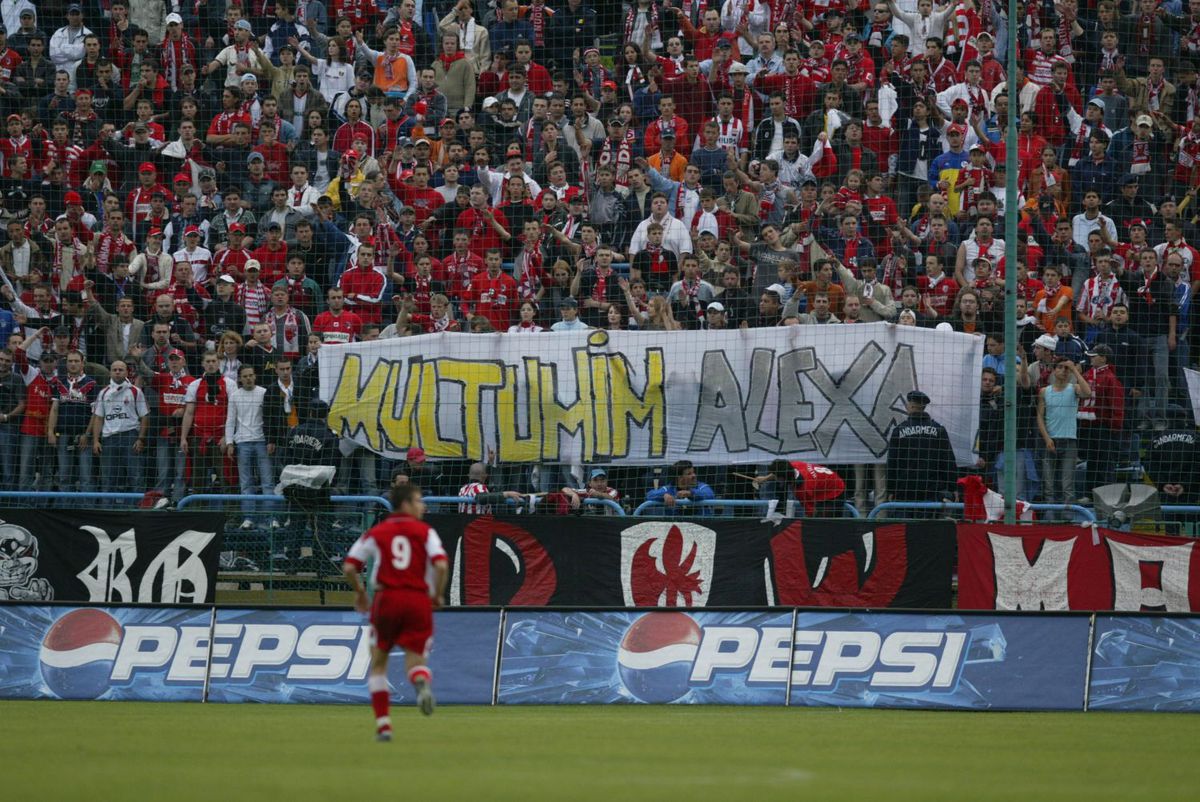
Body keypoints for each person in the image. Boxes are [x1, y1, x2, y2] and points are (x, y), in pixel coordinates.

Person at [342, 483, 448, 736]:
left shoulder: (377, 532)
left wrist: (359, 594)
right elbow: (441, 565)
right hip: (418, 600)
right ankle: (420, 679)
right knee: (416, 662)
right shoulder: (425, 532)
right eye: (419, 500)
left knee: (378, 663)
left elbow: (349, 567)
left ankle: (384, 726)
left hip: (386, 599)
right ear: (405, 504)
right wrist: (437, 595)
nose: (423, 506)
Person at [1037, 359, 1093, 518]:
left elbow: (1088, 392)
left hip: (1069, 441)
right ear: (1054, 370)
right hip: (1051, 440)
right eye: (1060, 367)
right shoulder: (1044, 391)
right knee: (1048, 485)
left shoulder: (1073, 388)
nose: (1063, 371)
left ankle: (1067, 519)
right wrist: (1047, 438)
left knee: (1067, 485)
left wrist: (1075, 371)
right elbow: (1040, 417)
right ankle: (1050, 519)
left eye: (1066, 368)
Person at [886, 390, 958, 513]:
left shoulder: (899, 430)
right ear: (924, 407)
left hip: (905, 492)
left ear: (911, 406)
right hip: (932, 491)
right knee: (930, 529)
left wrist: (891, 490)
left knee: (907, 529)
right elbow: (948, 461)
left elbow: (892, 463)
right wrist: (952, 487)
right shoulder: (938, 430)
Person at [90, 359, 149, 496]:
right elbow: (98, 418)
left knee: (135, 476)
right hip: (109, 438)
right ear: (110, 372)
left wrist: (141, 438)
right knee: (108, 478)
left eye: (120, 369)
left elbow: (145, 416)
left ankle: (138, 510)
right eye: (114, 369)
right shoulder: (103, 392)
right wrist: (96, 441)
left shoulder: (135, 391)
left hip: (130, 437)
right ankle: (107, 509)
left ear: (127, 372)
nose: (117, 372)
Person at [645, 459, 716, 513]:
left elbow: (710, 495)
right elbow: (649, 495)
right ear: (679, 477)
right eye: (689, 474)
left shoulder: (702, 487)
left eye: (693, 472)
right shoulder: (668, 489)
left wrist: (691, 493)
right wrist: (664, 495)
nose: (694, 475)